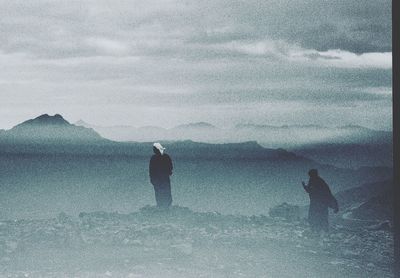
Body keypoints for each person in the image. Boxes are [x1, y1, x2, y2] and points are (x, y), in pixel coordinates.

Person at [302, 169, 338, 234]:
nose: (310, 176)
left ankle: (320, 232)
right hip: (319, 203)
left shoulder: (316, 181)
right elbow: (328, 193)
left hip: (318, 203)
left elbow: (326, 193)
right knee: (319, 218)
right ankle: (319, 232)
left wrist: (305, 187)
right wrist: (335, 205)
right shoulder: (317, 181)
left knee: (317, 217)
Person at [149, 143, 173, 208]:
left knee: (161, 192)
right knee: (164, 192)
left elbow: (151, 170)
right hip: (162, 179)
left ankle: (162, 205)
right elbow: (170, 168)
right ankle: (164, 205)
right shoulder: (165, 157)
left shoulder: (154, 158)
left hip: (160, 179)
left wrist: (152, 179)